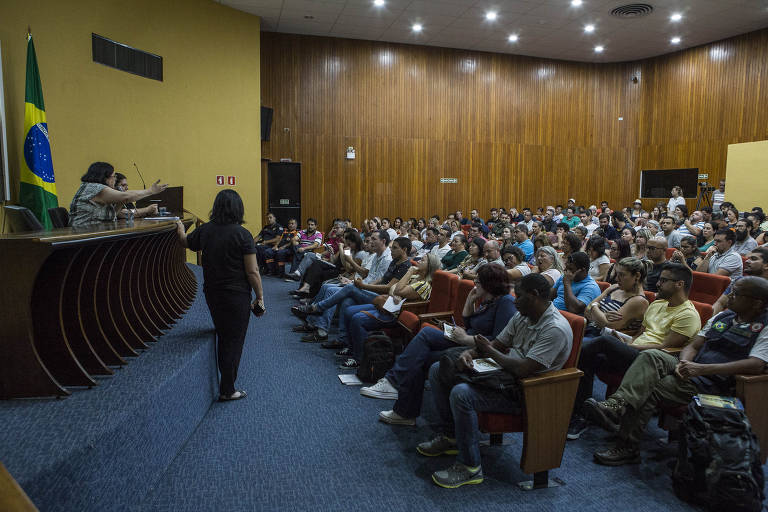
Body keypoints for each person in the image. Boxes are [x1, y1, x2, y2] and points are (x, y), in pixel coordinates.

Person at [583, 276, 768, 466]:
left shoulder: (764, 327)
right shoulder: (723, 316)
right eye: (731, 291)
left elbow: (755, 364)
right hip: (689, 369)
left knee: (649, 387)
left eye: (737, 294)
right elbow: (694, 346)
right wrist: (685, 363)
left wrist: (701, 369)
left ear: (756, 303)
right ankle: (617, 405)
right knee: (651, 355)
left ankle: (627, 446)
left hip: (714, 384)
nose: (730, 296)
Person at [417, 274, 572, 488]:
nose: (514, 301)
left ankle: (470, 467)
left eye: (518, 296)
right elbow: (499, 343)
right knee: (437, 370)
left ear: (534, 296)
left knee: (461, 393)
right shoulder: (524, 315)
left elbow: (523, 369)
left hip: (528, 392)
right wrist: (471, 353)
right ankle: (451, 436)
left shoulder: (554, 328)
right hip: (503, 376)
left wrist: (487, 351)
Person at [363, 264, 516, 425]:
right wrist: (470, 300)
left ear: (490, 283)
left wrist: (464, 339)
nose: (475, 283)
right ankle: (398, 397)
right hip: (466, 340)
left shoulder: (506, 302)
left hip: (478, 351)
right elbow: (469, 324)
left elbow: (497, 343)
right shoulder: (486, 300)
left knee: (423, 350)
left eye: (479, 280)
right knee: (422, 346)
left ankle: (400, 401)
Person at [175, 189, 264, 401]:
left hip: (212, 292)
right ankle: (228, 389)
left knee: (224, 334)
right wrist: (260, 296)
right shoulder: (243, 235)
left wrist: (179, 227)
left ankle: (227, 385)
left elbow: (186, 242)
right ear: (238, 209)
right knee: (234, 340)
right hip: (236, 295)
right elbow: (252, 271)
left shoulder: (206, 230)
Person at [566, 257, 650, 439]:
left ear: (636, 276)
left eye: (622, 275)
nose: (617, 279)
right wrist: (596, 310)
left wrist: (596, 308)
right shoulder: (614, 288)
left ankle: (579, 414)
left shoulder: (639, 301)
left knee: (580, 353)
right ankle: (580, 412)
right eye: (616, 274)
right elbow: (588, 310)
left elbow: (607, 323)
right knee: (585, 357)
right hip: (593, 337)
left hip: (613, 347)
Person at [345, 253, 441, 369]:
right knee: (349, 311)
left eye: (423, 260)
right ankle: (352, 348)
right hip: (388, 305)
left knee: (357, 319)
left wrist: (408, 273)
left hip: (395, 313)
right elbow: (392, 288)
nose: (419, 261)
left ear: (429, 266)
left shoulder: (424, 284)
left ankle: (360, 358)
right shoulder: (416, 277)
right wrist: (396, 292)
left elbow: (398, 290)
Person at [69, 162, 167, 227]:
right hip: (83, 235)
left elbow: (112, 215)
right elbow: (127, 196)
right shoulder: (95, 188)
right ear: (105, 177)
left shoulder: (93, 187)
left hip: (92, 232)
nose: (115, 179)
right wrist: (150, 191)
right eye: (114, 176)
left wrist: (121, 201)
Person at [711, 247, 768, 315]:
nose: (747, 261)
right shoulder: (740, 281)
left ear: (766, 265)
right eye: (748, 258)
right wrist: (709, 321)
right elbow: (720, 303)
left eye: (753, 259)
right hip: (730, 319)